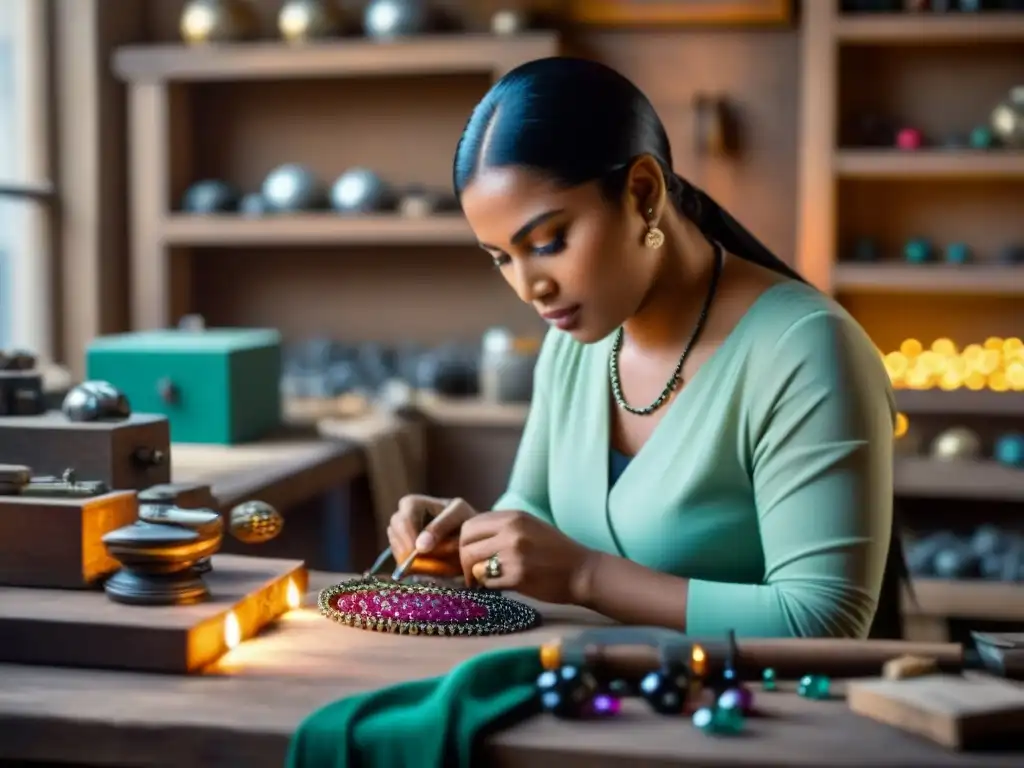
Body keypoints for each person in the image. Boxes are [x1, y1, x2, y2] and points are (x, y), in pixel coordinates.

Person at [387, 57, 906, 639]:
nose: (530, 287)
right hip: (586, 709)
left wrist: (587, 577)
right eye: (503, 257)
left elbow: (823, 622)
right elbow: (535, 508)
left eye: (551, 241)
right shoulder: (574, 340)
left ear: (642, 193)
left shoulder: (806, 352)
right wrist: (472, 541)